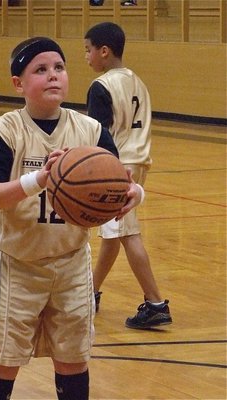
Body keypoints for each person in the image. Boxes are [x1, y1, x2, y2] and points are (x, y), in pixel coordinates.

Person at [0, 36, 144, 400]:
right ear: (18, 84)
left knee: (74, 361)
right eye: (41, 69)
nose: (53, 76)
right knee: (2, 363)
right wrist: (40, 180)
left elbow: (121, 182)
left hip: (70, 263)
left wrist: (134, 195)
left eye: (59, 68)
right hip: (14, 264)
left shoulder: (91, 131)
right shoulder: (3, 132)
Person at [84, 22, 172, 329]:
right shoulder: (138, 82)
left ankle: (155, 302)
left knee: (128, 232)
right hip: (140, 160)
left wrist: (91, 168)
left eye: (88, 49)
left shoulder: (102, 86)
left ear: (104, 51)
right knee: (114, 233)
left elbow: (98, 134)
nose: (87, 57)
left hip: (117, 165)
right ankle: (90, 293)